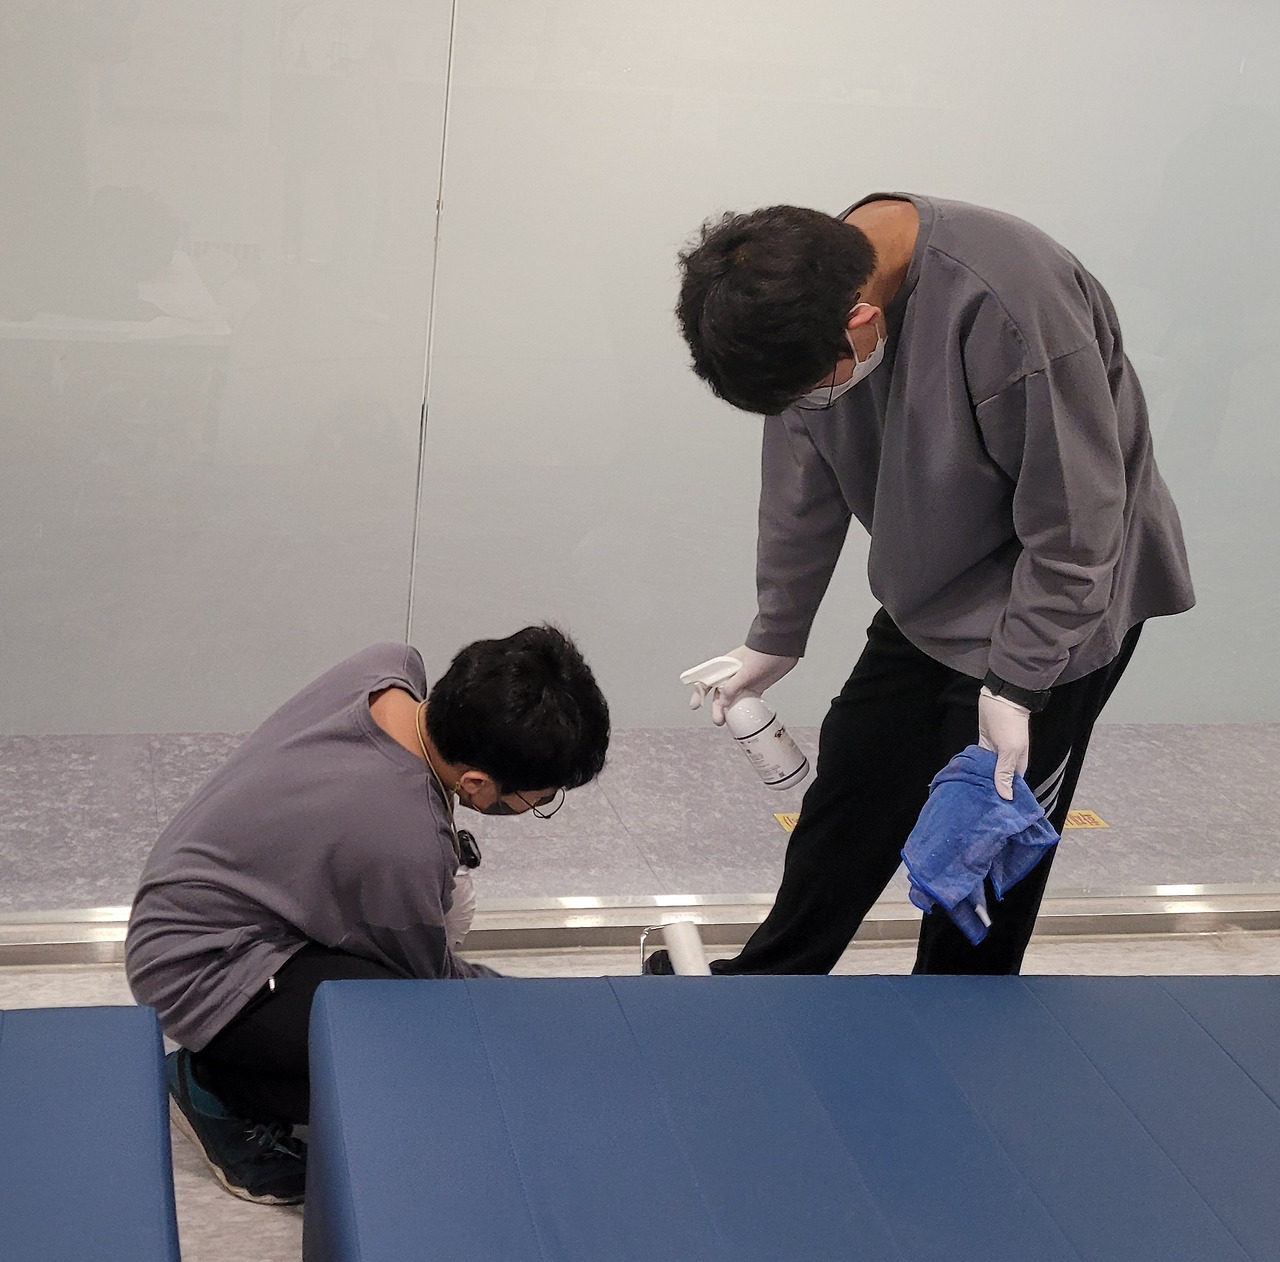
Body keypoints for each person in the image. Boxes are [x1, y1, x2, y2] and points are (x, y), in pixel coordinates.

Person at [673, 193, 1193, 978]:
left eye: (812, 391)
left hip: (1062, 599)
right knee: (854, 788)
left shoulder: (1011, 305)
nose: (808, 408)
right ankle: (770, 984)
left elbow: (1078, 527)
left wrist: (1017, 685)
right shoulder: (797, 305)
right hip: (936, 591)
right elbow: (800, 486)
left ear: (861, 323)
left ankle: (960, 1015)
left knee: (980, 846)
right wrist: (776, 633)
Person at [127, 627, 609, 1205]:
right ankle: (216, 1090)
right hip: (196, 965)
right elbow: (433, 991)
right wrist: (528, 1015)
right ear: (477, 783)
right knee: (426, 1061)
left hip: (198, 893)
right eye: (540, 798)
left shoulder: (386, 669)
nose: (536, 805)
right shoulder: (404, 840)